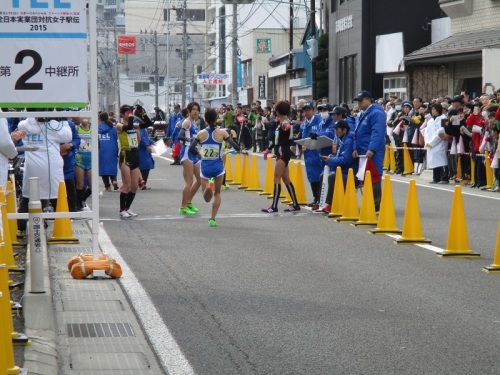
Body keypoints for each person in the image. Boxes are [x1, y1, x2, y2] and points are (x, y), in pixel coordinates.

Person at [17, 113, 72, 231]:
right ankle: (62, 227)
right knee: (57, 197)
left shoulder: (23, 125)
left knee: (28, 197)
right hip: (51, 167)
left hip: (31, 167)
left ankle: (21, 225)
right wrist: (63, 121)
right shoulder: (53, 125)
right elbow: (68, 136)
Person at [189, 108, 241, 227]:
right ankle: (212, 219)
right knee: (217, 194)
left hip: (206, 167)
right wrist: (238, 150)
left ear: (205, 119)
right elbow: (234, 145)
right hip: (218, 167)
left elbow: (192, 148)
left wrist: (199, 153)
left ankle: (209, 187)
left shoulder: (201, 134)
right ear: (216, 119)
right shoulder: (222, 133)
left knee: (207, 198)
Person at [261, 101, 301, 213]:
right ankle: (295, 204)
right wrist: (268, 149)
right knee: (286, 179)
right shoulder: (281, 121)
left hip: (283, 151)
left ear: (278, 111)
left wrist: (287, 126)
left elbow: (286, 127)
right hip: (281, 151)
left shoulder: (285, 122)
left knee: (276, 177)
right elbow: (277, 139)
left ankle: (274, 206)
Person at [352, 90, 386, 211]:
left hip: (372, 151)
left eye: (361, 100)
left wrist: (372, 148)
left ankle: (375, 204)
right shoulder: (362, 113)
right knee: (364, 176)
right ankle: (368, 201)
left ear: (368, 99)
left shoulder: (376, 113)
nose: (359, 103)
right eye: (358, 101)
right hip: (362, 150)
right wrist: (355, 147)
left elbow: (377, 132)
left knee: (374, 174)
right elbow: (356, 132)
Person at [116, 105, 142, 218]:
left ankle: (127, 208)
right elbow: (128, 127)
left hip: (134, 154)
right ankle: (122, 209)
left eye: (130, 112)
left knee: (135, 186)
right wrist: (132, 121)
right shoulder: (119, 125)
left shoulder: (134, 126)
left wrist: (138, 130)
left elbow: (138, 140)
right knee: (127, 185)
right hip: (125, 155)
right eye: (127, 112)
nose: (129, 114)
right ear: (122, 114)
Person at [298, 101, 324, 210]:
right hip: (308, 153)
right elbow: (301, 137)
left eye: (309, 110)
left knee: (320, 175)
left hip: (317, 152)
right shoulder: (304, 124)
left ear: (313, 110)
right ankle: (315, 197)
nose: (307, 112)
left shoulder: (319, 121)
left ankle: (320, 198)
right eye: (305, 111)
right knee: (311, 176)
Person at [177, 102, 202, 215]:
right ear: (189, 110)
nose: (196, 112)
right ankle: (182, 207)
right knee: (189, 181)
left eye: (197, 110)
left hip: (194, 152)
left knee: (200, 180)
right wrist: (190, 140)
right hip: (187, 152)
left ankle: (188, 202)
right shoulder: (187, 122)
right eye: (193, 110)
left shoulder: (195, 123)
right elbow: (180, 136)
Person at [423, 103, 449, 184]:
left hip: (439, 143)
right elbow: (426, 132)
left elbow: (441, 131)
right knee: (434, 161)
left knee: (441, 160)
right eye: (432, 109)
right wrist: (427, 142)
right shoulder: (430, 121)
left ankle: (444, 177)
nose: (433, 111)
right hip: (430, 144)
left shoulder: (443, 118)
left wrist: (433, 142)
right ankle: (436, 177)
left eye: (434, 109)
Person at [61, 116, 81, 211]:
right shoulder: (46, 124)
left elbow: (77, 139)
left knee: (70, 188)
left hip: (67, 161)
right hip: (52, 162)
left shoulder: (69, 124)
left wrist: (71, 145)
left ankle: (72, 210)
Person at [98, 112, 119, 192]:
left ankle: (107, 186)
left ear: (99, 119)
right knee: (112, 165)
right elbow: (116, 139)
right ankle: (114, 181)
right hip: (112, 148)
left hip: (101, 149)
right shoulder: (113, 128)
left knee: (103, 167)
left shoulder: (96, 128)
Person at [75, 117, 92, 210]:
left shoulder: (93, 129)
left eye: (87, 117)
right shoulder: (77, 128)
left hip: (90, 158)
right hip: (80, 158)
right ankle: (78, 204)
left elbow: (97, 144)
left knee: (92, 185)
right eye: (83, 117)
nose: (85, 119)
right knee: (80, 183)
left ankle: (83, 199)